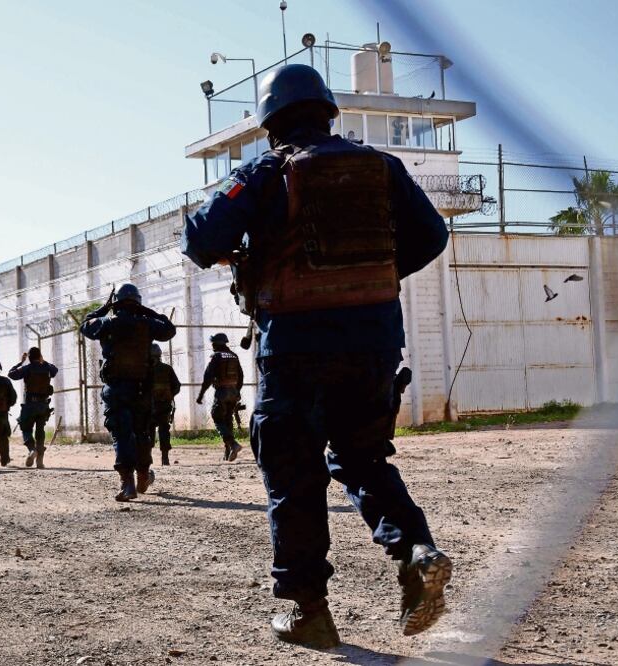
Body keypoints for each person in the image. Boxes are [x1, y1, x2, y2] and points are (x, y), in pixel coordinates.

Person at [181, 64, 452, 647]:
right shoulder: (383, 167)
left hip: (296, 345)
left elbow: (200, 239)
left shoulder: (263, 171)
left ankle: (309, 611)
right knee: (362, 459)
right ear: (329, 111)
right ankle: (416, 551)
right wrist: (372, 278)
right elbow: (431, 236)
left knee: (293, 476)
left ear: (269, 121)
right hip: (374, 342)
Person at [80, 284, 176, 501]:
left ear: (117, 303)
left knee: (122, 433)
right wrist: (149, 312)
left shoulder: (107, 323)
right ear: (138, 303)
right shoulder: (148, 323)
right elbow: (170, 330)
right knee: (142, 433)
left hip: (116, 389)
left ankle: (128, 484)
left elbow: (85, 326)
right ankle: (143, 475)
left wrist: (103, 309)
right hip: (142, 389)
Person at [196, 333, 244, 462]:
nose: (212, 345)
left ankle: (233, 444)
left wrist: (201, 395)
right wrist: (237, 391)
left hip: (222, 392)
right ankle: (228, 450)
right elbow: (241, 376)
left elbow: (208, 377)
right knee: (228, 419)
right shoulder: (234, 356)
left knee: (217, 417)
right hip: (233, 393)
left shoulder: (216, 357)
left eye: (213, 343)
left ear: (218, 344)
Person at [8, 347, 58, 469]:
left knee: (25, 428)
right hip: (43, 405)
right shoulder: (47, 367)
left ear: (29, 358)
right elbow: (55, 370)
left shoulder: (27, 368)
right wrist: (44, 361)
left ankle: (32, 450)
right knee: (40, 431)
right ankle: (40, 461)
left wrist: (21, 362)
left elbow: (11, 374)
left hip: (30, 405)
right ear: (40, 356)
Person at [148, 343, 181, 466]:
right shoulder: (167, 368)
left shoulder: (144, 370)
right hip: (164, 406)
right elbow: (177, 386)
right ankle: (165, 459)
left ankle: (149, 458)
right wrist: (168, 396)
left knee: (148, 431)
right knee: (164, 431)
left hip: (149, 407)